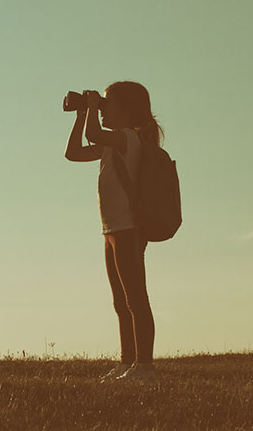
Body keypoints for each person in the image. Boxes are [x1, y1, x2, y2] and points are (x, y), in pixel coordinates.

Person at [64, 81, 166, 383]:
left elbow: (94, 134)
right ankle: (127, 363)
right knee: (121, 302)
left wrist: (92, 108)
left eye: (108, 105)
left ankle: (145, 367)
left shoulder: (128, 138)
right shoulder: (113, 142)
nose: (103, 110)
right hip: (111, 229)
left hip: (128, 228)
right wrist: (82, 113)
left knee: (135, 299)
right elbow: (73, 153)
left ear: (128, 111)